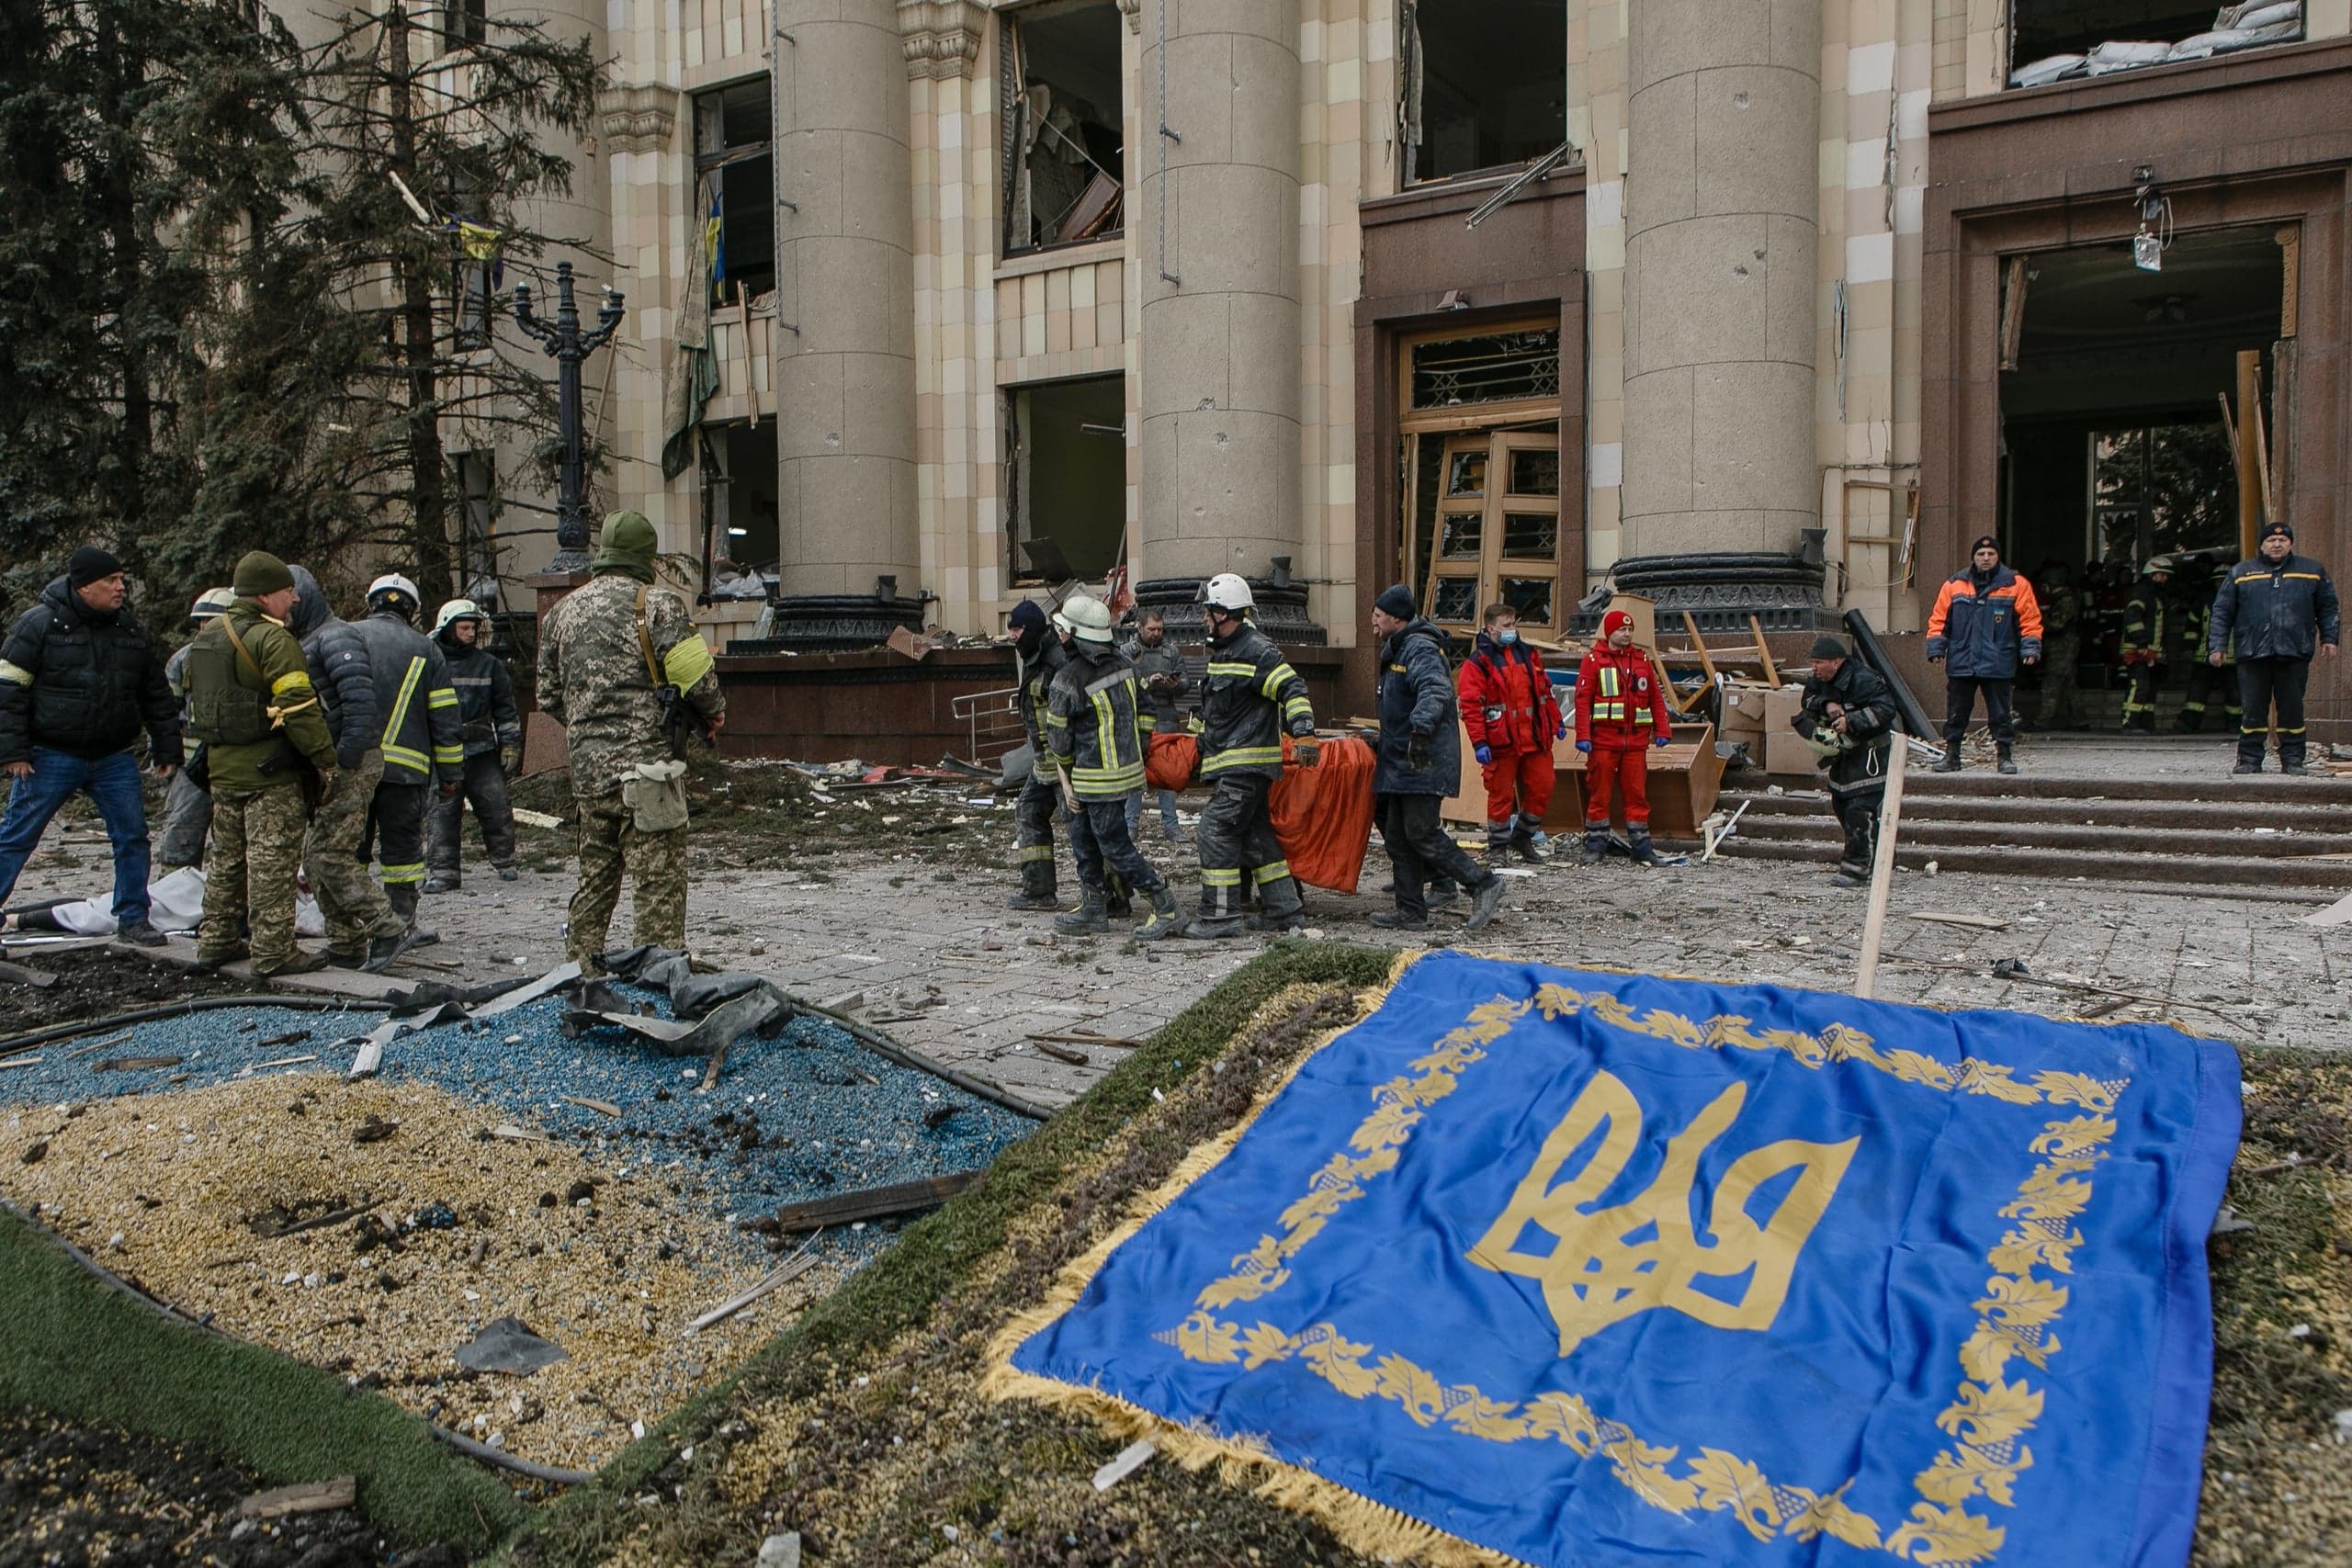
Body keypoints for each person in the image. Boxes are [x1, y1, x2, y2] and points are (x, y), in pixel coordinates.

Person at [537, 511, 725, 967]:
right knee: (658, 883)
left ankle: (578, 973)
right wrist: (714, 712)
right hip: (648, 773)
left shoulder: (562, 611)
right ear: (646, 555)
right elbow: (697, 678)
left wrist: (590, 729)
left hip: (589, 775)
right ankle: (656, 979)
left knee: (595, 880)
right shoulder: (657, 605)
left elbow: (547, 695)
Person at [0, 547, 183, 948]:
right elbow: (8, 692)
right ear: (84, 587)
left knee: (132, 836)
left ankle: (133, 918)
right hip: (50, 755)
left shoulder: (129, 630)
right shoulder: (38, 625)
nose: (121, 587)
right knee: (16, 837)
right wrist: (13, 752)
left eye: (122, 579)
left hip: (113, 756)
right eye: (111, 580)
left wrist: (166, 748)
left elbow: (155, 693)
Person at [184, 552, 343, 976]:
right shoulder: (273, 640)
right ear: (264, 596)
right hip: (270, 773)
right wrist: (324, 760)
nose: (295, 599)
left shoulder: (207, 638)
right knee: (272, 863)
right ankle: (274, 952)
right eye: (287, 591)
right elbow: (299, 707)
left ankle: (216, 941)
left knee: (226, 861)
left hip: (221, 771)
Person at [287, 566, 415, 970]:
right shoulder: (315, 638)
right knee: (317, 856)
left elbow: (360, 706)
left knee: (329, 854)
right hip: (339, 762)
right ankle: (345, 942)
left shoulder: (335, 637)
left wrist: (341, 763)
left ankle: (387, 926)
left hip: (350, 763)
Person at [1185, 572, 1318, 938]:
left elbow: (1292, 687)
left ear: (1224, 614)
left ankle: (1220, 917)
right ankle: (1284, 911)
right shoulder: (1226, 651)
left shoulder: (1256, 650)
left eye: (1208, 612)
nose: (1204, 619)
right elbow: (1222, 711)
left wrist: (1304, 730)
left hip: (1244, 765)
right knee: (1256, 837)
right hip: (1237, 762)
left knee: (1215, 831)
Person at [1043, 596, 1182, 940]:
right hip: (1125, 774)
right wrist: (1141, 746)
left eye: (1064, 630)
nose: (1060, 635)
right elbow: (1147, 709)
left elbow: (1058, 738)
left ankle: (1166, 906)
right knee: (1085, 840)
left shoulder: (1068, 678)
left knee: (1113, 846)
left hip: (1090, 779)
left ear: (1076, 634)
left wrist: (1067, 778)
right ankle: (1094, 908)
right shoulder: (1127, 664)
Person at [1367, 583, 1500, 933]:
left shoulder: (1419, 648)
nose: (1373, 621)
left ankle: (1483, 884)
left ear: (1397, 618)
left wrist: (1421, 728)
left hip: (1422, 756)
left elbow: (1435, 689)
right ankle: (1411, 911)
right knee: (1398, 835)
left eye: (1378, 615)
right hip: (1402, 758)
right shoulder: (1398, 648)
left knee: (1421, 831)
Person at [350, 574, 463, 935]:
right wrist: (450, 775)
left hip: (351, 768)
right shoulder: (426, 649)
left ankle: (350, 926)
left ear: (371, 603)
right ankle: (401, 926)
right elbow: (445, 718)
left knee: (349, 850)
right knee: (401, 854)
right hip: (405, 772)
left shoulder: (345, 637)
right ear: (412, 610)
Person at [2211, 520, 2341, 775]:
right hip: (2252, 652)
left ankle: (2293, 760)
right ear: (2262, 545)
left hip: (2294, 651)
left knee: (2292, 709)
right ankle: (2249, 759)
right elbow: (2222, 611)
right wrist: (2217, 645)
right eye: (2271, 540)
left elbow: (2327, 607)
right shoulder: (2241, 573)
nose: (2277, 544)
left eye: (2283, 540)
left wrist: (2330, 638)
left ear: (2291, 544)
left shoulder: (2311, 571)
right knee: (2253, 709)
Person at [424, 600, 523, 890]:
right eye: (464, 628)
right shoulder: (430, 664)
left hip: (482, 752)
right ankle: (444, 871)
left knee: (496, 807)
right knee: (442, 813)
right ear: (447, 628)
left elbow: (506, 709)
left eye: (473, 628)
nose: (470, 634)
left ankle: (505, 861)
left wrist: (510, 745)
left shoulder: (489, 666)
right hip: (443, 753)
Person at [1924, 535, 2041, 773]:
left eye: (1991, 554)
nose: (1985, 558)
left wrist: (2030, 647)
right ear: (1974, 557)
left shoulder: (2016, 584)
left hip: (1997, 660)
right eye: (1981, 554)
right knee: (1956, 713)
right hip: (1962, 660)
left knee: (2000, 714)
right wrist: (1936, 647)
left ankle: (2004, 757)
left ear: (1998, 557)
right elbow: (1939, 620)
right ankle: (1952, 756)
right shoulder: (1954, 584)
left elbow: (2029, 619)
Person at [1459, 602, 1564, 863]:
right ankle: (1498, 848)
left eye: (1514, 624)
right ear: (1490, 629)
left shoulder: (1527, 654)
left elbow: (1544, 691)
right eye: (1506, 625)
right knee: (1501, 795)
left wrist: (1556, 721)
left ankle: (1522, 837)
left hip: (1534, 738)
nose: (1512, 630)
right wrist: (1479, 742)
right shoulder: (1478, 663)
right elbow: (1471, 706)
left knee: (1544, 786)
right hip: (1501, 741)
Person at [1791, 636, 1898, 887]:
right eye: (1813, 662)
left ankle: (1856, 868)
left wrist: (1852, 720)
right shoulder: (1818, 681)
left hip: (1870, 753)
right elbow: (1807, 699)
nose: (1814, 667)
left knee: (1859, 809)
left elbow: (1886, 709)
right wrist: (1827, 704)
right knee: (1841, 803)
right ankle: (1880, 855)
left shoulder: (1865, 679)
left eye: (1819, 662)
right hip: (1843, 753)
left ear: (1836, 662)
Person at [1572, 608, 1674, 866]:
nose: (1627, 634)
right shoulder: (1594, 660)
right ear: (1609, 633)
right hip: (1604, 741)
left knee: (1637, 795)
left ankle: (1642, 848)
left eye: (1630, 630)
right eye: (1621, 630)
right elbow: (1582, 700)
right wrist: (1583, 735)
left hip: (1635, 742)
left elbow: (1655, 698)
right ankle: (1595, 846)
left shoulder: (1642, 660)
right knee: (1600, 794)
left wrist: (1663, 729)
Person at [158, 589, 234, 870]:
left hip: (234, 762)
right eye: (201, 621)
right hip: (191, 765)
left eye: (211, 620)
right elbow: (165, 713)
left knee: (232, 837)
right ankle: (174, 884)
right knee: (183, 830)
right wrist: (164, 754)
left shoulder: (249, 654)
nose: (205, 626)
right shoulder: (183, 659)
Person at [1003, 599, 1069, 912]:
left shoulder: (1057, 662)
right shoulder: (1034, 657)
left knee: (1083, 830)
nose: (1012, 636)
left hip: (1065, 764)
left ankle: (1110, 897)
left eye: (1016, 629)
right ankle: (1039, 892)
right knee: (1028, 812)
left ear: (1030, 630)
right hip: (1044, 763)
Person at [1121, 606, 1188, 842]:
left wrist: (1175, 684)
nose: (1156, 633)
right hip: (1137, 719)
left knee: (1166, 773)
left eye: (1160, 629)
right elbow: (1123, 684)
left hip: (1166, 717)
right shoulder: (1127, 653)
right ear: (1140, 627)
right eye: (1152, 629)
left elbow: (1186, 683)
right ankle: (1130, 825)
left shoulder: (1171, 652)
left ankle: (1171, 826)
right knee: (1134, 774)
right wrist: (1147, 682)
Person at [2018, 562, 2080, 732]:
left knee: (2052, 683)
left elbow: (2057, 624)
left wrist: (2038, 619)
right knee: (2068, 684)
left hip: (2063, 648)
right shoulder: (2061, 599)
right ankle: (2079, 719)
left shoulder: (2065, 600)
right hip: (2060, 647)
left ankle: (2043, 721)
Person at [2118, 557, 2173, 734]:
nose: (2165, 579)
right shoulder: (2141, 592)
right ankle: (2130, 723)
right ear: (2152, 574)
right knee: (2139, 685)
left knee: (2150, 689)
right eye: (2162, 575)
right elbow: (2133, 617)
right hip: (2137, 650)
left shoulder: (2157, 595)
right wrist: (2141, 643)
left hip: (2152, 651)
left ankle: (2146, 723)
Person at [2177, 582, 2240, 736]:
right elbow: (2192, 626)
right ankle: (2188, 723)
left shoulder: (2238, 600)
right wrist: (2189, 647)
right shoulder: (2205, 601)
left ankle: (2235, 725)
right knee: (2197, 694)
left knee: (2234, 694)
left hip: (2228, 658)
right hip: (2207, 657)